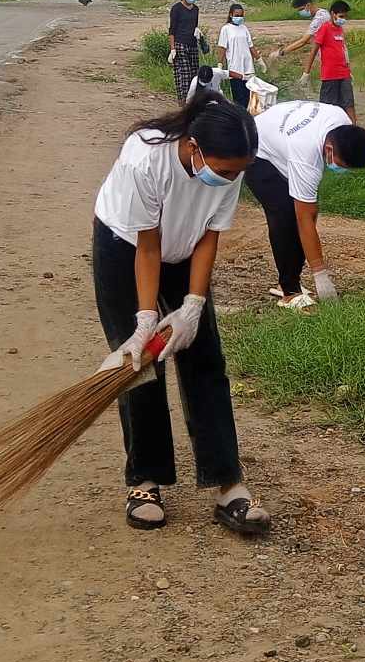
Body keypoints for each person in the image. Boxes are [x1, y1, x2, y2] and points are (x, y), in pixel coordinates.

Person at [92, 94, 269, 536]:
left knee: (205, 359)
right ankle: (145, 481)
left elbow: (209, 236)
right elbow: (148, 246)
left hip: (187, 248)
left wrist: (192, 307)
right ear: (192, 146)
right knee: (139, 365)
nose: (231, 178)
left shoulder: (231, 166)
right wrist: (145, 319)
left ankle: (228, 483)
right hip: (126, 249)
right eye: (225, 170)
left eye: (239, 170)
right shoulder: (144, 159)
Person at [245, 100, 365, 309]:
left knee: (303, 214)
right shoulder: (305, 153)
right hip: (255, 150)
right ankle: (290, 292)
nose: (340, 171)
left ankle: (288, 280)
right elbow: (304, 218)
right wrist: (320, 274)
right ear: (329, 149)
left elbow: (310, 212)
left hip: (279, 136)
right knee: (284, 214)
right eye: (341, 166)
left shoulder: (341, 120)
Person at [303, 0, 356, 119]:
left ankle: (353, 129)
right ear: (333, 14)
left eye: (345, 17)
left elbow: (343, 50)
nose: (343, 19)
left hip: (344, 74)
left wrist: (348, 69)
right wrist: (307, 72)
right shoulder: (325, 28)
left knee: (349, 104)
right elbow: (314, 50)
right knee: (327, 108)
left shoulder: (340, 29)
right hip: (330, 76)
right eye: (341, 16)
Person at [216, 0, 254, 112]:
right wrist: (220, 64)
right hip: (235, 68)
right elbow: (222, 47)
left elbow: (251, 46)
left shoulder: (244, 28)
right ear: (231, 15)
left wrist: (259, 60)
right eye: (237, 15)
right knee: (239, 98)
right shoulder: (226, 29)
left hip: (248, 68)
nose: (239, 17)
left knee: (248, 97)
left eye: (241, 15)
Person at [167, 0, 202, 101]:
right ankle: (184, 102)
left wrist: (198, 33)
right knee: (184, 75)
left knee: (195, 76)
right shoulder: (176, 9)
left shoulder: (195, 9)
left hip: (192, 45)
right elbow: (172, 30)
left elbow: (195, 25)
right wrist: (172, 49)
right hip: (180, 44)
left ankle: (192, 101)